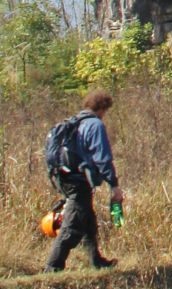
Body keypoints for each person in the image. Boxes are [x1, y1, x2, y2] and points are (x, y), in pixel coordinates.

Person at [44, 89, 123, 273]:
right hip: (78, 180)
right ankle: (53, 266)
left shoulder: (74, 122)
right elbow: (103, 158)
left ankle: (96, 260)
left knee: (87, 219)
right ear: (102, 107)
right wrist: (114, 185)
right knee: (72, 225)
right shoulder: (95, 125)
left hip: (63, 176)